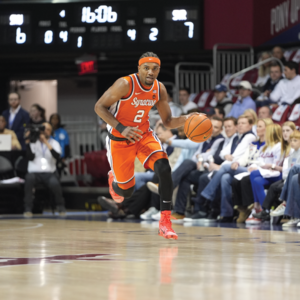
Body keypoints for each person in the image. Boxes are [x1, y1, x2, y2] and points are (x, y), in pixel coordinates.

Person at [94, 51, 198, 240]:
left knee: (164, 167)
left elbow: (167, 121)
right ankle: (114, 179)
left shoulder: (159, 89)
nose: (151, 72)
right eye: (146, 68)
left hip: (143, 135)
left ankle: (165, 222)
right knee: (127, 191)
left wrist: (187, 119)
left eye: (155, 68)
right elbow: (99, 107)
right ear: (139, 69)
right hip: (120, 139)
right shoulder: (124, 84)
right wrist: (122, 128)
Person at [146, 116, 224, 220]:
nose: (213, 129)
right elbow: (198, 153)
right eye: (211, 126)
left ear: (221, 130)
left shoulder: (219, 140)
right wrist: (200, 157)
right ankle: (179, 212)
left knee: (188, 163)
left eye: (216, 127)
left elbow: (207, 154)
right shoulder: (206, 138)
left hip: (208, 169)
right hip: (199, 167)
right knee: (185, 177)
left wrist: (200, 158)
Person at [199, 115, 257, 222]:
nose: (240, 125)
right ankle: (226, 213)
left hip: (245, 168)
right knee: (225, 178)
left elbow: (236, 154)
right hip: (234, 168)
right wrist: (226, 156)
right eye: (239, 123)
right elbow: (223, 153)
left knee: (225, 167)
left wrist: (227, 159)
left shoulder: (249, 137)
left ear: (250, 125)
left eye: (243, 123)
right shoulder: (236, 137)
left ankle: (207, 194)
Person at [184, 117, 238, 221]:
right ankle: (181, 210)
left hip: (229, 168)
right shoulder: (226, 141)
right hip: (215, 168)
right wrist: (207, 160)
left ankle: (206, 210)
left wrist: (216, 164)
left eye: (229, 126)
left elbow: (232, 158)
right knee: (188, 174)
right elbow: (217, 155)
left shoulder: (230, 140)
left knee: (208, 177)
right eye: (226, 126)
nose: (227, 129)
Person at [231, 118, 274, 222]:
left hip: (263, 172)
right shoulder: (254, 144)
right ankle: (243, 208)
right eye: (257, 126)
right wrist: (237, 162)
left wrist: (257, 167)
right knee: (235, 180)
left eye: (260, 126)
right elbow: (245, 158)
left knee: (246, 179)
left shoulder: (271, 144)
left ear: (267, 129)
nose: (257, 129)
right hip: (249, 169)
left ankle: (253, 209)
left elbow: (267, 161)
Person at [252, 121, 296, 221]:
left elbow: (285, 168)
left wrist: (271, 166)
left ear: (294, 131)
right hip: (284, 175)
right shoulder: (284, 147)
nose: (285, 133)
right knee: (268, 185)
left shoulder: (293, 148)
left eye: (288, 131)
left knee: (257, 177)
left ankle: (262, 207)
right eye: (283, 131)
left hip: (286, 176)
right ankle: (265, 211)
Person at [23, 122, 66, 218]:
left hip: (49, 173)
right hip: (34, 173)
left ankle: (61, 207)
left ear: (51, 132)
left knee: (55, 184)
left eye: (48, 129)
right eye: (44, 129)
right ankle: (28, 208)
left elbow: (57, 156)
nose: (45, 131)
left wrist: (45, 142)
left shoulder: (55, 143)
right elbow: (30, 157)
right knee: (28, 180)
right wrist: (27, 142)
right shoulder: (33, 142)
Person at [244, 124, 283, 224]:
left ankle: (258, 206)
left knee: (254, 174)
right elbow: (259, 161)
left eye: (266, 131)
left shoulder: (279, 146)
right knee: (256, 179)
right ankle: (265, 210)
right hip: (265, 173)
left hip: (276, 174)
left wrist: (265, 166)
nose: (264, 133)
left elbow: (276, 164)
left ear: (272, 133)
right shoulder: (265, 146)